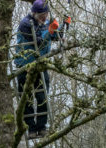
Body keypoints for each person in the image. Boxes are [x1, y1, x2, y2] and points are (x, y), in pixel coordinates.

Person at [14, 0, 67, 139]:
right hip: (25, 65)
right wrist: (49, 32)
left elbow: (56, 35)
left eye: (46, 14)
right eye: (42, 15)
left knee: (42, 97)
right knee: (27, 98)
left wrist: (64, 26)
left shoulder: (45, 23)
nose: (45, 17)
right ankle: (31, 128)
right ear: (35, 13)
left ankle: (41, 127)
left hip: (40, 65)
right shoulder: (26, 24)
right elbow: (38, 42)